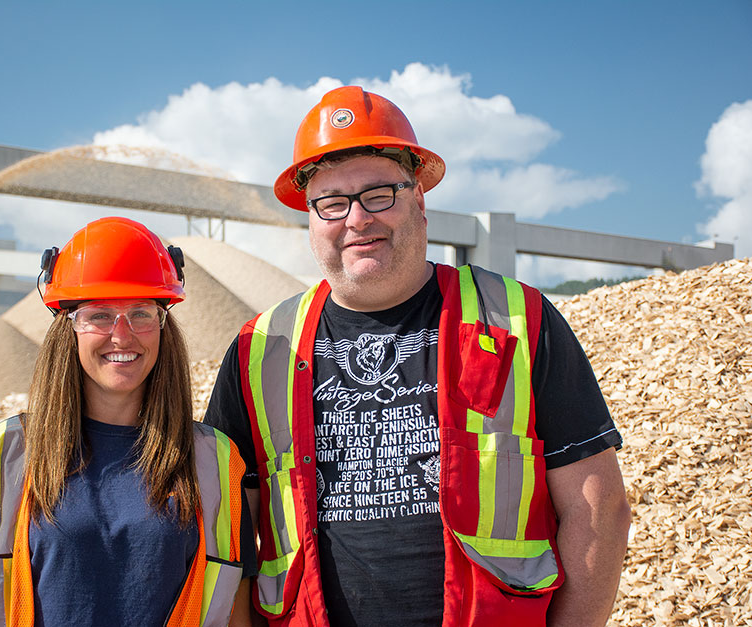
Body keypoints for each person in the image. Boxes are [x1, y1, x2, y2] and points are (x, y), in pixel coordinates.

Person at [203, 86, 631, 626]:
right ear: (310, 219)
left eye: (379, 193)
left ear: (420, 201)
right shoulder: (260, 349)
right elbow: (223, 535)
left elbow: (598, 510)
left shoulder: (516, 321)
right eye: (332, 203)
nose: (356, 219)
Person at [0, 216, 256, 627]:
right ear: (68, 329)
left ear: (163, 326)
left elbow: (235, 615)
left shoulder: (214, 462)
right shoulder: (12, 453)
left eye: (142, 313)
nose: (122, 335)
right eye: (99, 315)